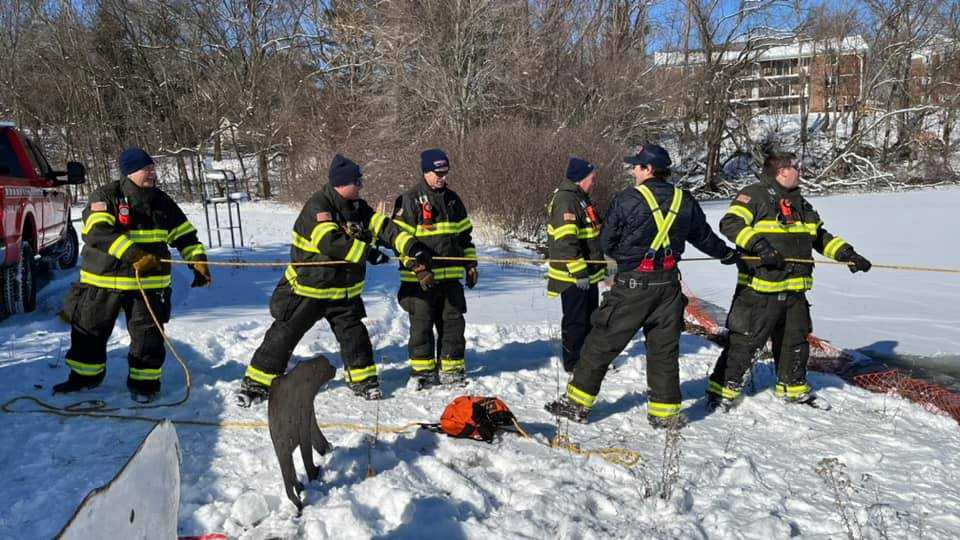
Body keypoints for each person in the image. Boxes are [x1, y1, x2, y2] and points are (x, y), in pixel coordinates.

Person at [545, 143, 739, 428]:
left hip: (633, 288)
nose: (633, 170)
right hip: (669, 289)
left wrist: (626, 258)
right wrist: (728, 255)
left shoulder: (627, 199)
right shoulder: (684, 200)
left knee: (600, 344)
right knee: (663, 351)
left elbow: (606, 242)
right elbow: (704, 238)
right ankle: (664, 414)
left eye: (636, 166)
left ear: (648, 169)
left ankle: (576, 404)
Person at [237, 154, 433, 405]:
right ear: (342, 183)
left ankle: (363, 381)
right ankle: (256, 383)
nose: (361, 186)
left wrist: (413, 247)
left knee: (356, 339)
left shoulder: (358, 208)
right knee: (282, 336)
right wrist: (368, 253)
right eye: (357, 182)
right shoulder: (318, 207)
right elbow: (330, 242)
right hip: (308, 291)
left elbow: (385, 229)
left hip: (343, 293)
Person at [706, 146, 871, 411]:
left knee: (795, 343)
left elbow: (818, 237)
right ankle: (721, 393)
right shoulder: (755, 194)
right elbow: (730, 224)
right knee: (745, 343)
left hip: (795, 292)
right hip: (759, 291)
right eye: (797, 167)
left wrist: (848, 254)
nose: (801, 171)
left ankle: (793, 391)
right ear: (782, 171)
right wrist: (761, 247)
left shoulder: (799, 203)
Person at [54, 147, 210, 402]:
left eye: (152, 169)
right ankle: (84, 378)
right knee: (89, 333)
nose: (151, 173)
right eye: (145, 169)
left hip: (149, 285)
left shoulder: (162, 201)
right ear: (129, 172)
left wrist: (197, 260)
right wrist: (135, 255)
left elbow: (184, 235)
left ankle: (144, 386)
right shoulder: (106, 196)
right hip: (102, 283)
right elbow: (98, 232)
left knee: (148, 338)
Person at [391, 149, 477, 388]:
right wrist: (419, 269)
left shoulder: (453, 200)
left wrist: (470, 264)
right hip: (419, 282)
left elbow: (464, 238)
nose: (441, 177)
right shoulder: (408, 200)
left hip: (450, 280)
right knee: (421, 326)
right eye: (436, 173)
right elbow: (399, 242)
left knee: (453, 325)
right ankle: (423, 373)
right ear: (425, 172)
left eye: (444, 173)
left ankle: (452, 369)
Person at [546, 157, 605, 373]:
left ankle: (587, 361)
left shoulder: (581, 198)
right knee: (576, 322)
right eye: (592, 178)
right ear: (581, 179)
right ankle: (573, 365)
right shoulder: (566, 201)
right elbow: (566, 241)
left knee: (590, 321)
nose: (594, 182)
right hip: (573, 277)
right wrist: (579, 271)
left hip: (588, 276)